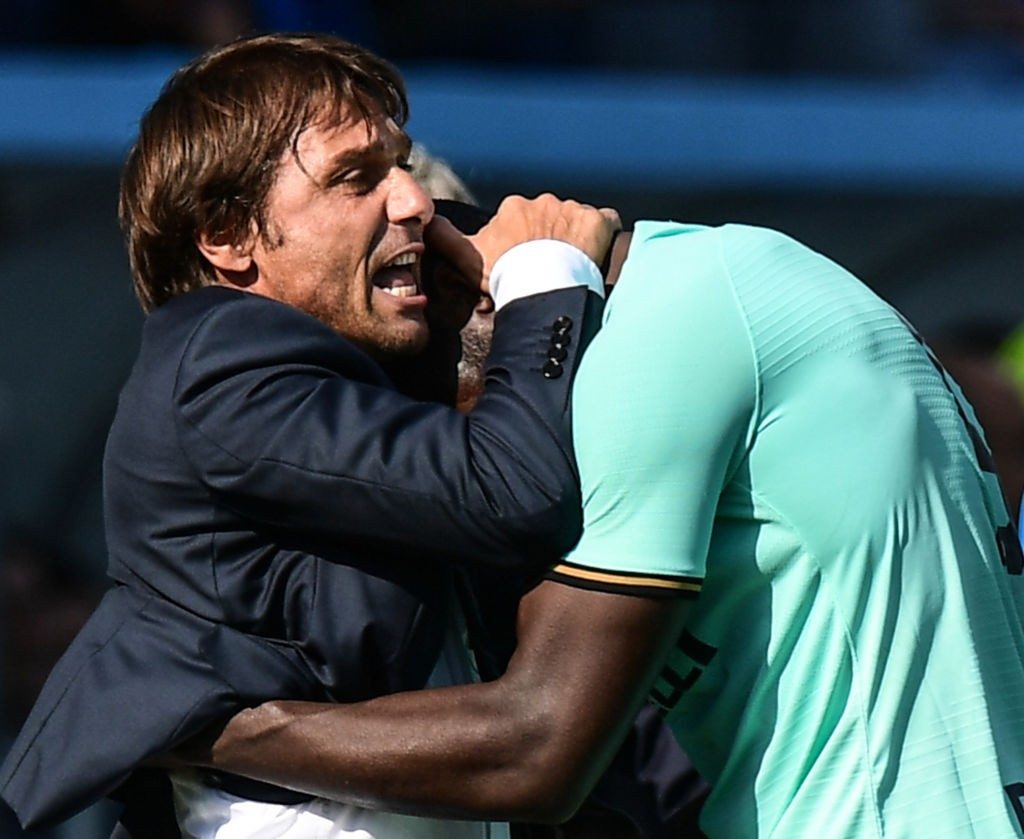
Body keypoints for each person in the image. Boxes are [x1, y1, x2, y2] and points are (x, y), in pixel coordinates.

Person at [181, 219, 1024, 836]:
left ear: (480, 302)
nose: (483, 492)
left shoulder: (668, 325)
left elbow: (537, 749)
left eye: (470, 441)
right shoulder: (705, 299)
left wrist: (202, 725)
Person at [0, 32, 617, 838]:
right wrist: (546, 275)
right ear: (228, 235)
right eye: (356, 178)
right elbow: (512, 493)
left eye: (401, 166)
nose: (414, 202)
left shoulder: (335, 375)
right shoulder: (222, 358)